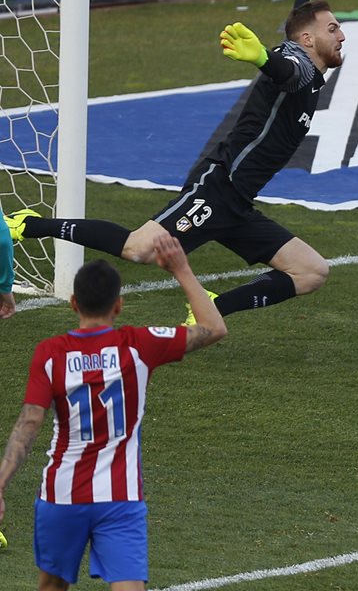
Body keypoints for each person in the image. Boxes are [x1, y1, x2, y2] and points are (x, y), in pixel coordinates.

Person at [5, 0, 345, 322]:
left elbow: (301, 32)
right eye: (333, 28)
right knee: (138, 248)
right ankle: (28, 224)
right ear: (308, 40)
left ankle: (210, 309)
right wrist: (264, 58)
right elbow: (287, 70)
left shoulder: (304, 53)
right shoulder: (296, 66)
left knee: (312, 271)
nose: (342, 36)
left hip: (238, 202)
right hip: (219, 188)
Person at [0, 234, 226, 590]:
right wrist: (181, 269)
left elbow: (29, 422)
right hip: (120, 499)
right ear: (118, 306)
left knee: (51, 588)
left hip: (62, 496)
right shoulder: (140, 344)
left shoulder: (51, 353)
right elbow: (215, 328)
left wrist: (0, 485)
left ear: (74, 303)